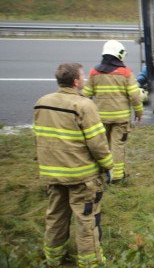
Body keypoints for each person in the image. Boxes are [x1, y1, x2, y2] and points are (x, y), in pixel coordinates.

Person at [34, 62, 113, 267]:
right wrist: (108, 165)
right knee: (86, 219)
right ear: (76, 81)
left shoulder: (42, 103)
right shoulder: (84, 105)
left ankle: (53, 258)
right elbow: (97, 143)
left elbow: (40, 137)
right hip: (81, 176)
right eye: (82, 76)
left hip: (53, 174)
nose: (84, 79)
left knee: (55, 217)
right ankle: (90, 262)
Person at [83, 40, 143, 182]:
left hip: (100, 119)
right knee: (117, 146)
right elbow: (135, 96)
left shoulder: (94, 72)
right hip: (121, 119)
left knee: (101, 146)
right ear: (119, 54)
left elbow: (86, 95)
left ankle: (103, 172)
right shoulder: (126, 72)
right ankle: (117, 177)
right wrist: (139, 111)